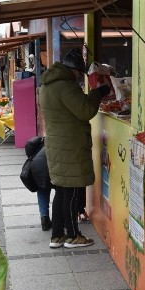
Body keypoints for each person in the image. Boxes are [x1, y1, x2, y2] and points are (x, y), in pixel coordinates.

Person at [39, 48, 111, 248]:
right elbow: (85, 110)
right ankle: (72, 235)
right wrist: (97, 93)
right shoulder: (66, 86)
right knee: (70, 191)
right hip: (69, 146)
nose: (80, 77)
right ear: (73, 70)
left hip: (58, 145)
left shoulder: (47, 85)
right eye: (79, 73)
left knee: (61, 191)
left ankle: (57, 235)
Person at [21, 136, 53, 231]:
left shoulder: (45, 138)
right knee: (62, 191)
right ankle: (61, 219)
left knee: (42, 190)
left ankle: (44, 219)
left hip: (37, 166)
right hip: (50, 165)